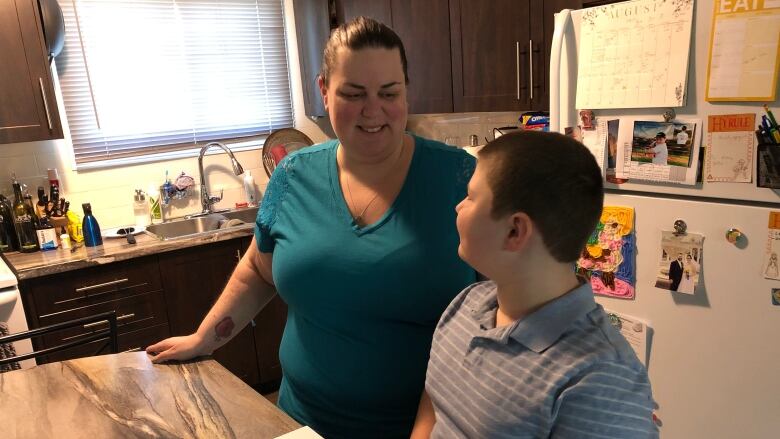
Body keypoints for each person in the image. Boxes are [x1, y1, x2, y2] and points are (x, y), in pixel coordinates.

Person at [145, 17, 477, 438]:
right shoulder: (293, 175)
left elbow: (504, 305)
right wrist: (204, 339)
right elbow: (257, 271)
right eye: (353, 94)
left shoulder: (462, 180)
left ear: (406, 89)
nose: (372, 110)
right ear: (324, 90)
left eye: (389, 93)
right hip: (299, 421)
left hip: (421, 429)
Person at [411, 131, 657, 438]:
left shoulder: (600, 381)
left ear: (515, 231)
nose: (458, 207)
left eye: (471, 197)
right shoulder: (465, 305)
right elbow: (435, 407)